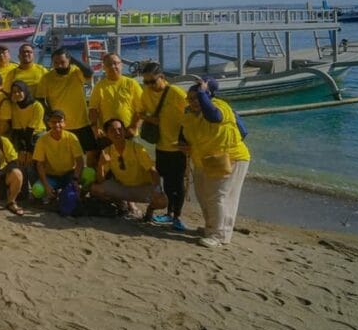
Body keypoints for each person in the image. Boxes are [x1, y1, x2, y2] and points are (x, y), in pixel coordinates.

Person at [180, 77, 250, 248]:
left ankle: (219, 235)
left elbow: (213, 116)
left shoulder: (220, 106)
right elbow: (185, 134)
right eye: (190, 98)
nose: (193, 101)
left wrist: (204, 92)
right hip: (203, 160)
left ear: (207, 95)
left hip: (228, 158)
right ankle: (211, 227)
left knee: (218, 196)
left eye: (197, 97)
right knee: (203, 196)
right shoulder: (189, 114)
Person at [132, 62, 188, 231]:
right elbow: (140, 112)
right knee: (165, 180)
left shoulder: (176, 93)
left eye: (152, 81)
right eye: (146, 82)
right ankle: (169, 213)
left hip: (178, 145)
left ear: (162, 77)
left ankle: (177, 216)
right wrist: (148, 120)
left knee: (177, 183)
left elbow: (191, 115)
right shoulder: (146, 94)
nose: (149, 85)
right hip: (161, 144)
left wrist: (188, 141)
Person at [91, 119, 166, 220]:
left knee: (162, 201)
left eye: (120, 129)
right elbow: (101, 181)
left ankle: (150, 210)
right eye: (113, 130)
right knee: (95, 189)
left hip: (142, 188)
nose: (117, 132)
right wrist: (101, 164)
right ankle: (122, 206)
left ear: (125, 131)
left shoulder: (137, 148)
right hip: (123, 188)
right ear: (107, 135)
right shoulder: (107, 151)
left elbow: (152, 171)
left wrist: (157, 189)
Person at [37, 48, 94, 152]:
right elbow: (40, 99)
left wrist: (75, 61)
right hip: (60, 125)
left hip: (81, 123)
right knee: (65, 155)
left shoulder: (76, 72)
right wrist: (50, 115)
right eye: (56, 62)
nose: (59, 65)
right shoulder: (47, 78)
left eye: (62, 62)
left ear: (69, 61)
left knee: (90, 155)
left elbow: (89, 72)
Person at [88, 53, 143, 148]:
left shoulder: (132, 84)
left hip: (128, 132)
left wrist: (134, 127)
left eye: (116, 63)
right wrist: (94, 127)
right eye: (109, 64)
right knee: (107, 161)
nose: (113, 66)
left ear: (121, 65)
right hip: (107, 135)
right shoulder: (99, 86)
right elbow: (93, 109)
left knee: (132, 161)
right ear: (104, 67)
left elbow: (141, 108)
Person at [32, 110, 84, 205]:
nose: (57, 124)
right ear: (48, 123)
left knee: (89, 174)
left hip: (69, 174)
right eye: (53, 122)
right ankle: (52, 193)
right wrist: (46, 185)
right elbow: (39, 164)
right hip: (51, 176)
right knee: (37, 190)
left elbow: (80, 161)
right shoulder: (42, 140)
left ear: (64, 123)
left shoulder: (71, 137)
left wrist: (75, 179)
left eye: (59, 121)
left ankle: (78, 193)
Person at [8, 80, 45, 191]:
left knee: (31, 162)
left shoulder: (37, 106)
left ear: (25, 91)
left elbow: (31, 129)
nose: (17, 94)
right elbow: (18, 130)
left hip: (37, 135)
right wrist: (22, 150)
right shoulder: (15, 107)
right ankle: (22, 191)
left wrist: (28, 151)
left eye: (20, 91)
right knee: (20, 161)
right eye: (14, 92)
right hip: (23, 136)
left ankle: (40, 190)